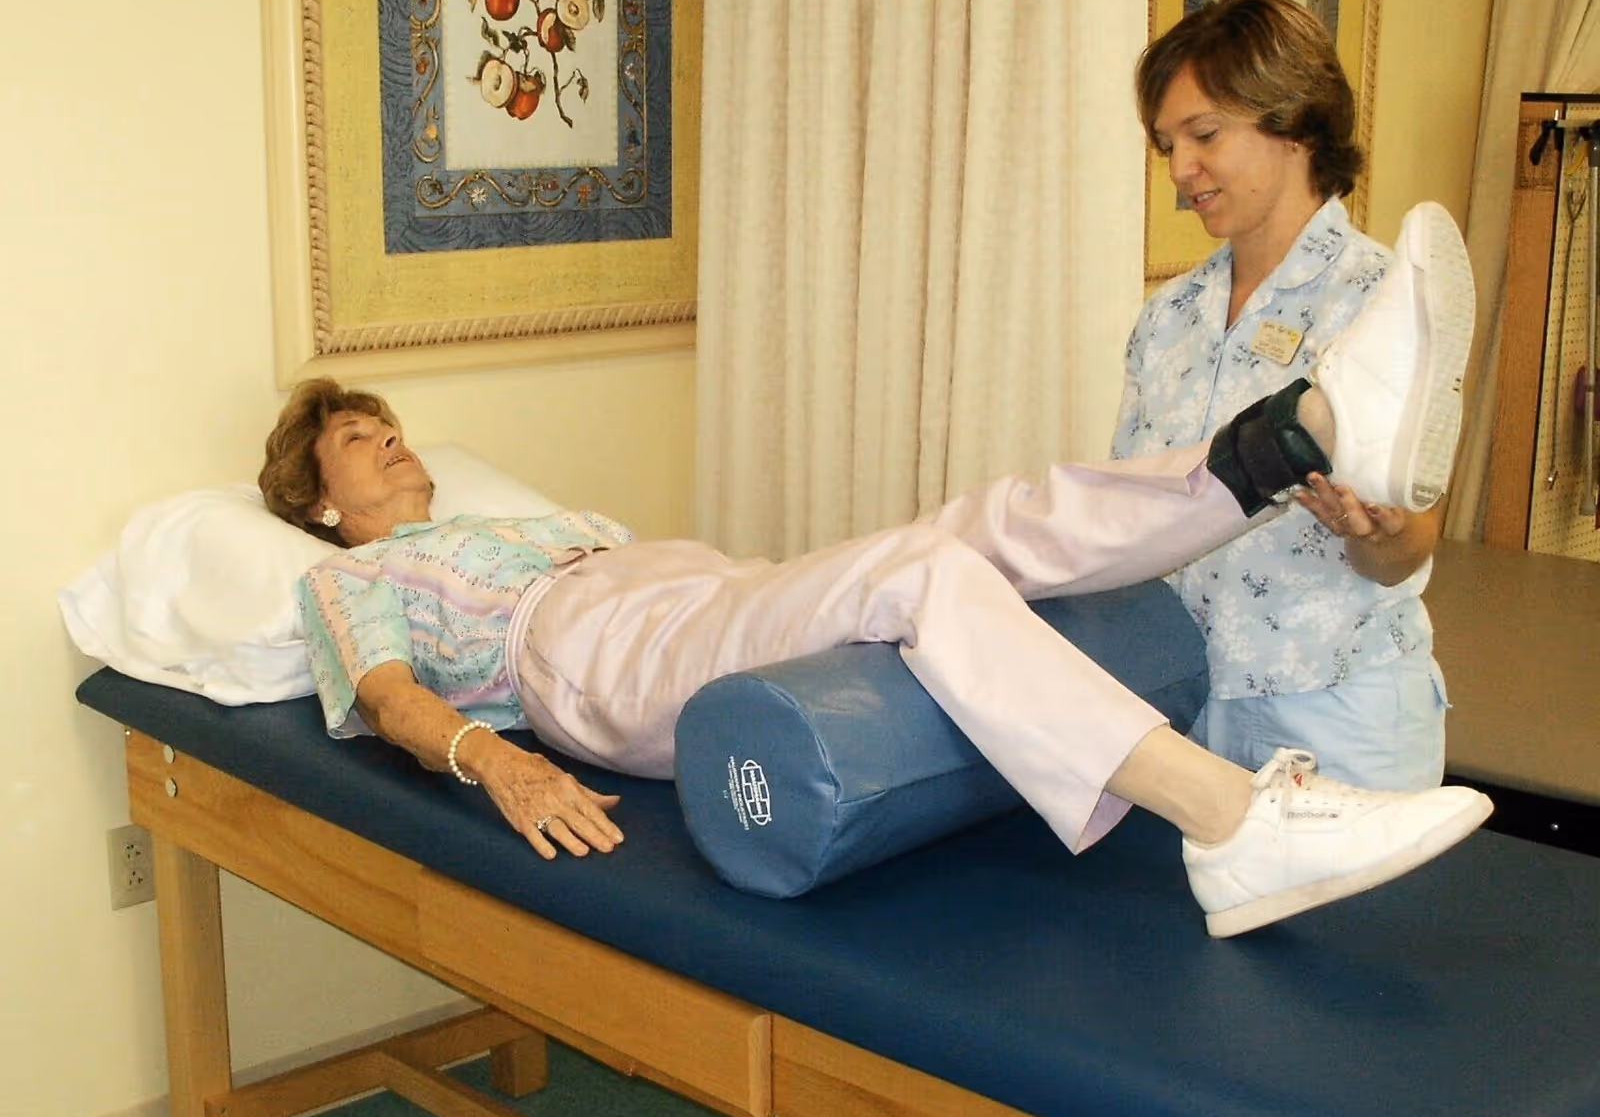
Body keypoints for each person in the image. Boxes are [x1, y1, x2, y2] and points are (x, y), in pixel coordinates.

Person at [260, 286, 1487, 940]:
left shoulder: (522, 516)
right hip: (588, 655)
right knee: (925, 573)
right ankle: (1233, 825)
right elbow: (389, 698)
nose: (390, 439)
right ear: (320, 505)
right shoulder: (351, 580)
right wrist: (498, 768)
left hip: (697, 592)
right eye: (359, 441)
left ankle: (1291, 439)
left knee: (981, 531)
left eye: (392, 423)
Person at [1117, 0, 1473, 791]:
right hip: (1184, 709)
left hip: (1336, 713)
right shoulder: (1168, 317)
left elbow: (1407, 545)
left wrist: (1375, 528)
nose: (1180, 170)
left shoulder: (1387, 299)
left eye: (1205, 134)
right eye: (1167, 144)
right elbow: (1134, 517)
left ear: (1294, 122)